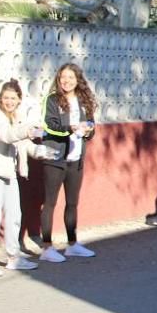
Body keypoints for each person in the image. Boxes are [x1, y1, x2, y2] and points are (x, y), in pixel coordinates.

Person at [0, 80, 44, 277]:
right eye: (6, 97)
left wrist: (44, 151)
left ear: (19, 99)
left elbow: (25, 145)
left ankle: (13, 257)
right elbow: (6, 135)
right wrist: (27, 130)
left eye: (13, 98)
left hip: (8, 173)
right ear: (0, 98)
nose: (9, 101)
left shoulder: (17, 118)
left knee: (15, 216)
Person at [39, 63, 98, 263]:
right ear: (58, 79)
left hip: (76, 160)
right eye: (63, 77)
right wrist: (71, 128)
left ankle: (72, 245)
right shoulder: (52, 99)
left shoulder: (83, 101)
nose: (66, 81)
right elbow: (50, 125)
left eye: (71, 77)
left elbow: (91, 126)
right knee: (50, 203)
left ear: (77, 79)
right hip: (55, 158)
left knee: (72, 203)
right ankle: (46, 247)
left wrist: (89, 130)